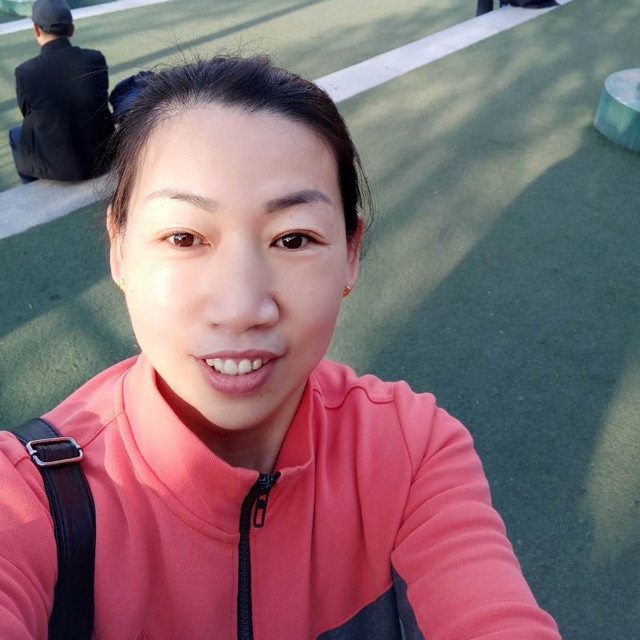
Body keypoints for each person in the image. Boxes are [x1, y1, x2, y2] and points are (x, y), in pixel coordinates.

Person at [0, 55, 562, 639]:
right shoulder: (28, 495)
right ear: (119, 249)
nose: (242, 307)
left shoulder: (413, 447)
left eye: (293, 239)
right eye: (184, 237)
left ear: (351, 253)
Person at [9, 0, 114, 184]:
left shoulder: (26, 72)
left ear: (36, 30)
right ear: (71, 30)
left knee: (16, 135)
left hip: (56, 168)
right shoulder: (95, 59)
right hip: (102, 158)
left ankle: (33, 189)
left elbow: (27, 112)